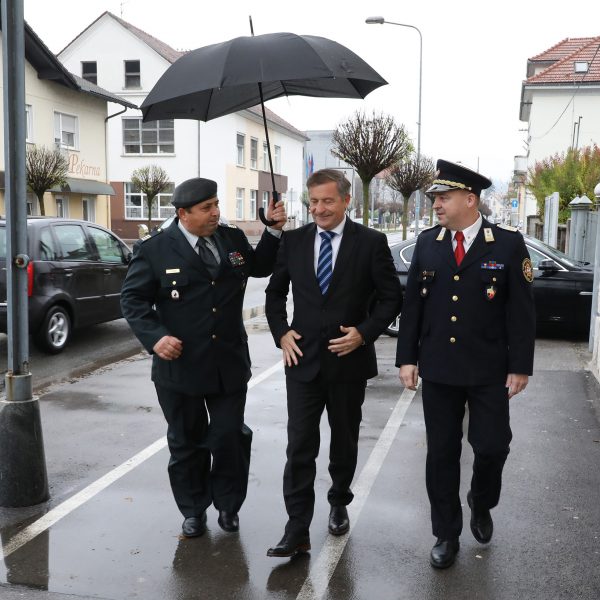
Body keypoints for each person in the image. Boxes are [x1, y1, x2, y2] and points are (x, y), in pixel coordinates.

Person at [120, 177, 286, 538]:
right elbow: (132, 300)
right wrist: (156, 337)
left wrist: (273, 230)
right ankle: (193, 510)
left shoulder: (231, 239)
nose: (215, 213)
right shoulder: (155, 249)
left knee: (229, 437)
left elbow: (259, 266)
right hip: (179, 365)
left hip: (228, 362)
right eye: (206, 207)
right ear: (183, 213)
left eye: (216, 205)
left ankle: (228, 505)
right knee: (186, 442)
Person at [396, 159, 535, 569]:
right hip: (439, 368)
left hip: (489, 368)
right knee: (441, 453)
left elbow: (521, 312)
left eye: (444, 197)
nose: (436, 204)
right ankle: (446, 533)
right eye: (435, 198)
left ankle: (481, 499)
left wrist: (520, 365)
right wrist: (407, 359)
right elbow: (413, 306)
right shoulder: (428, 243)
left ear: (470, 199)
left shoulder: (506, 244)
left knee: (492, 446)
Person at [264, 168, 401, 558]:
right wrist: (281, 333)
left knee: (344, 440)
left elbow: (392, 298)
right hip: (302, 360)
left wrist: (364, 333)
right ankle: (297, 528)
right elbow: (274, 294)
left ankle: (339, 498)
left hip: (348, 363)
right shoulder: (294, 241)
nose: (319, 209)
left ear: (346, 201)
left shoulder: (371, 243)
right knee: (299, 446)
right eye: (313, 202)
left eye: (327, 201)